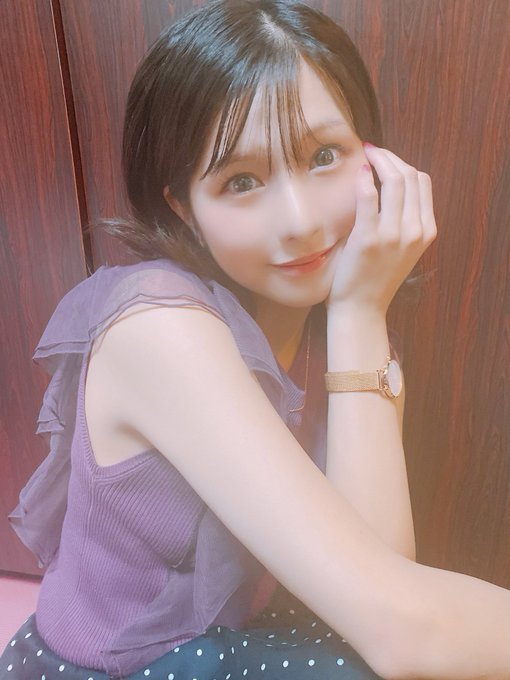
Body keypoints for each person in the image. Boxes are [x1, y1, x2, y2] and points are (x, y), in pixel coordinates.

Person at [1, 1, 509, 678]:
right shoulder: (158, 328)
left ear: (373, 159)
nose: (298, 222)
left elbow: (381, 584)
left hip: (233, 645)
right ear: (184, 207)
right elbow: (401, 629)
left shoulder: (341, 317)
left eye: (324, 156)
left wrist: (359, 314)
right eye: (240, 181)